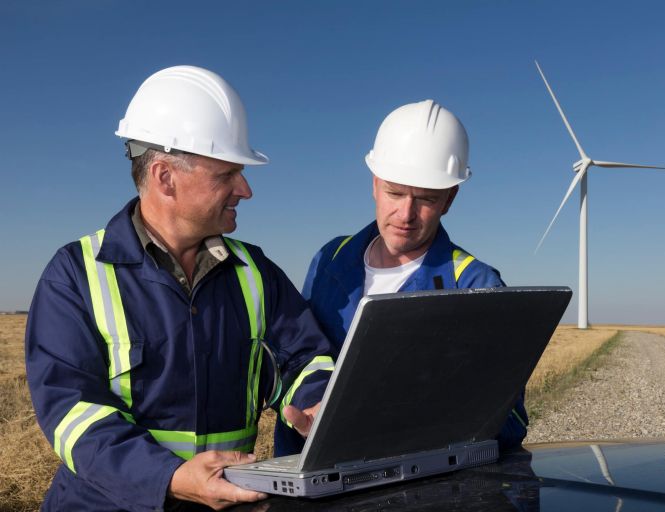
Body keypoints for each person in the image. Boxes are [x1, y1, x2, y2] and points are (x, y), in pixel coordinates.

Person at [25, 65, 335, 512]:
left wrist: (316, 400)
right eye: (226, 174)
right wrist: (167, 477)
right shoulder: (74, 275)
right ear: (165, 177)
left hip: (227, 503)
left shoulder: (255, 270)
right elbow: (72, 414)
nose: (244, 189)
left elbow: (304, 356)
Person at [287, 99, 528, 456]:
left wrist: (410, 419)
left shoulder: (476, 285)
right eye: (394, 193)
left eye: (426, 199)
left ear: (450, 199)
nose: (406, 214)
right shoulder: (330, 258)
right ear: (374, 183)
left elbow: (511, 422)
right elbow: (299, 356)